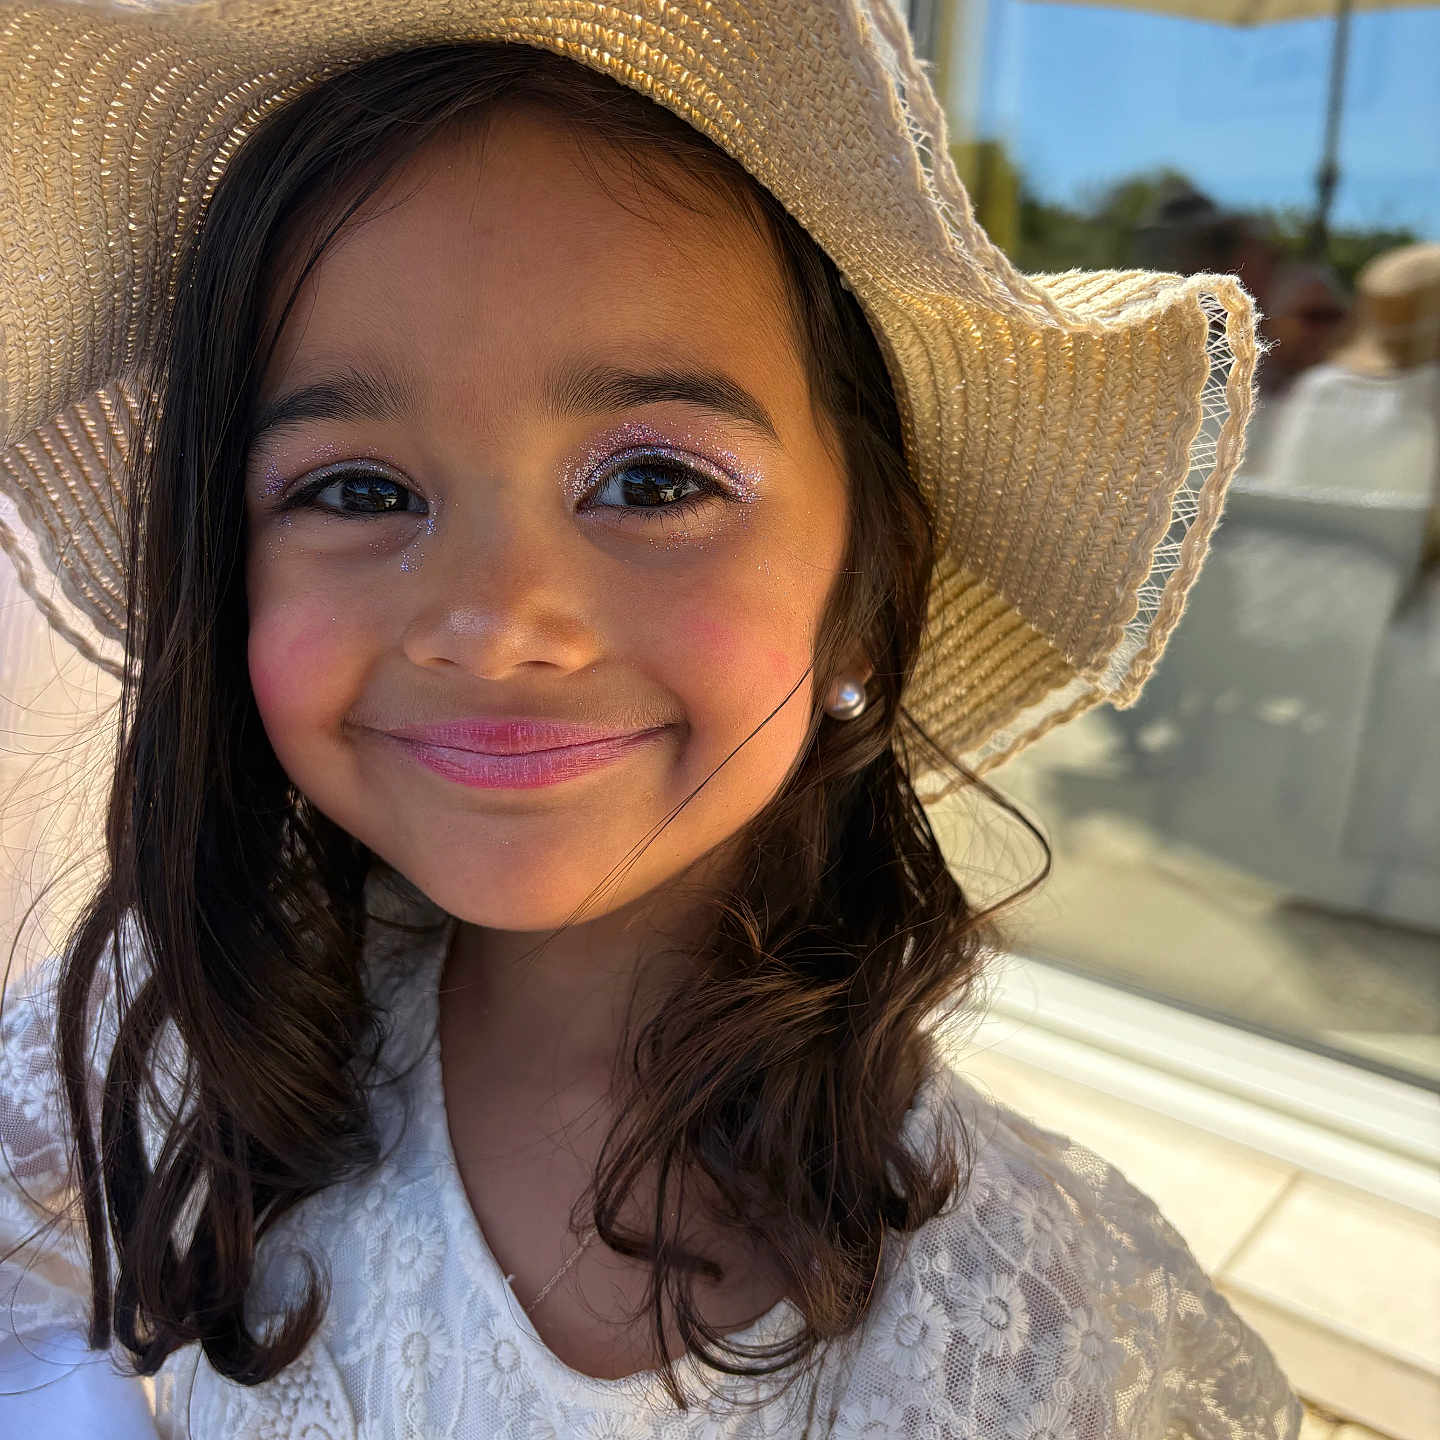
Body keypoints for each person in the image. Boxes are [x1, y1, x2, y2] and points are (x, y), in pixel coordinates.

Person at [0, 4, 1302, 1437]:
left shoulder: (1051, 1343)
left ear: (868, 589)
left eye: (654, 483)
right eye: (360, 490)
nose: (495, 621)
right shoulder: (183, 1021)